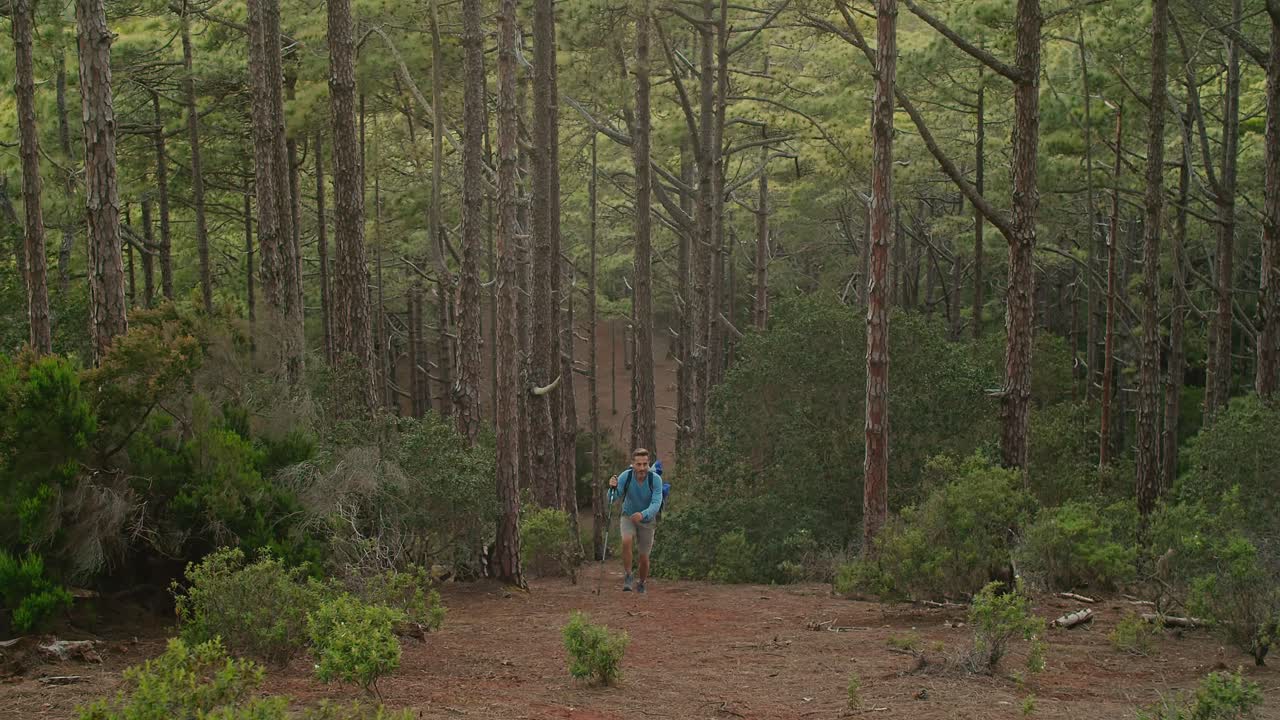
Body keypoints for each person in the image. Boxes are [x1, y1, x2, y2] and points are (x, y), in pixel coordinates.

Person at [608, 448, 664, 594]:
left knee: (644, 557)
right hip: (628, 515)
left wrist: (643, 514)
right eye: (638, 464)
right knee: (626, 541)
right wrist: (612, 488)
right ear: (633, 464)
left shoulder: (655, 479)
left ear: (648, 463)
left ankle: (642, 582)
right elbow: (612, 498)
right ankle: (628, 575)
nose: (642, 468)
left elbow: (656, 503)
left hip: (647, 520)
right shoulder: (625, 477)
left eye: (645, 464)